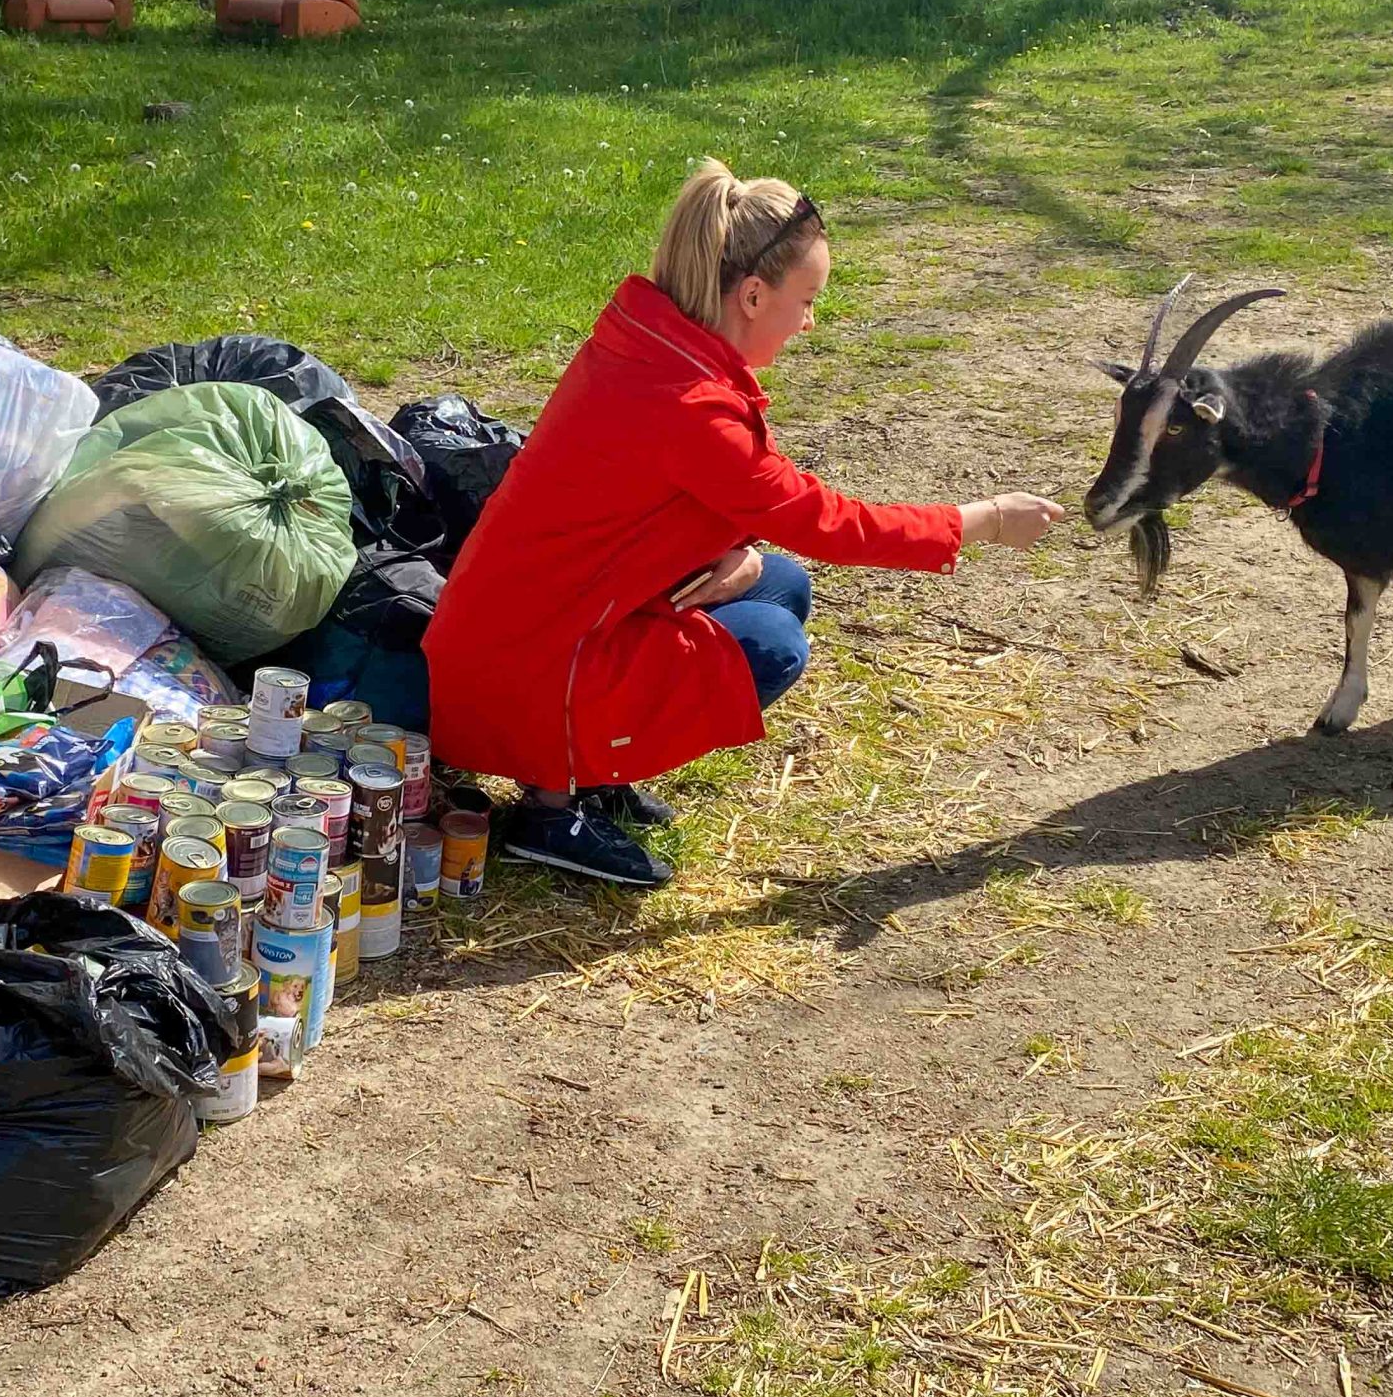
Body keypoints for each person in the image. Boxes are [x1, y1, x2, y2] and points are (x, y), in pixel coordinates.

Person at [423, 160, 1065, 887]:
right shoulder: (690, 405)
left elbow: (658, 505)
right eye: (808, 300)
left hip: (519, 634)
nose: (811, 321)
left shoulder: (650, 346)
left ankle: (589, 774)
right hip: (526, 672)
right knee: (771, 644)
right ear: (753, 295)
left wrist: (740, 549)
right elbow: (826, 523)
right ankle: (551, 806)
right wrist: (981, 520)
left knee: (778, 583)